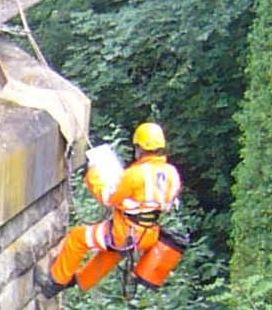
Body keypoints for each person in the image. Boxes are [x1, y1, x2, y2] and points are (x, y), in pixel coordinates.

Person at [34, 122, 181, 298]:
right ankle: (78, 280)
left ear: (139, 147)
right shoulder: (172, 174)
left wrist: (92, 175)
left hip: (125, 232)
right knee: (112, 253)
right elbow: (164, 203)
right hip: (149, 235)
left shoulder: (135, 175)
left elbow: (108, 198)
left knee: (78, 238)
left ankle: (54, 283)